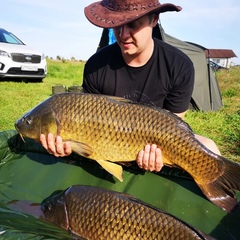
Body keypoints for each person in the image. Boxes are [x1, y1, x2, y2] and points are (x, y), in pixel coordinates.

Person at [40, 0, 221, 173]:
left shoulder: (179, 65)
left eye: (133, 24)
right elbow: (86, 124)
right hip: (106, 144)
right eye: (117, 24)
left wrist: (157, 154)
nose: (123, 34)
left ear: (154, 19)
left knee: (210, 148)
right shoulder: (96, 66)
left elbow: (174, 128)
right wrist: (67, 145)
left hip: (156, 145)